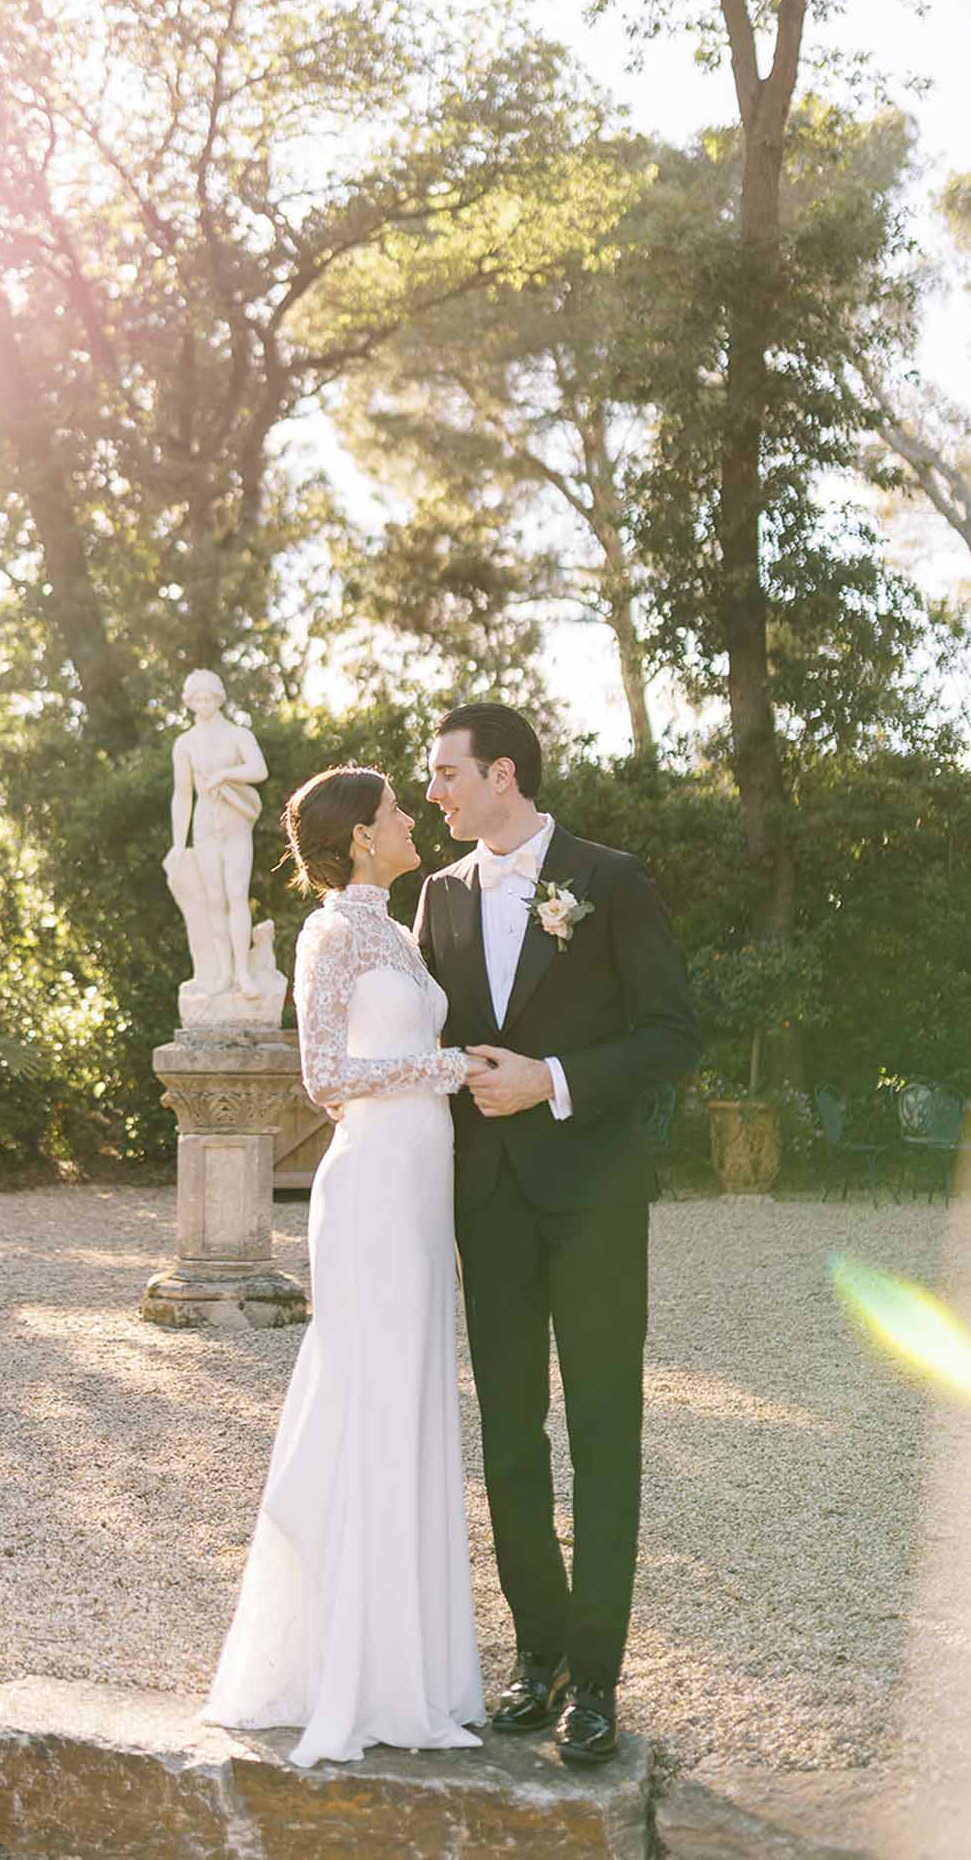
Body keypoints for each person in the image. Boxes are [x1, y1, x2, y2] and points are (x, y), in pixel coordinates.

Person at [415, 701, 699, 1765]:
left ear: (503, 774)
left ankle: (597, 1676)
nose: (433, 792)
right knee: (508, 1433)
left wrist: (554, 1080)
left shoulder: (609, 880)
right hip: (487, 1203)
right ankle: (536, 1655)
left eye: (446, 773)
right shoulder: (438, 895)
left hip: (594, 1200)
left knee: (604, 1431)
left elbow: (672, 1033)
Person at [202, 765, 491, 1767]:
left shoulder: (402, 932)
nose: (412, 819)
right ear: (363, 836)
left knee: (411, 1398)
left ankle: (415, 1665)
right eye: (396, 810)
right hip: (371, 1183)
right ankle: (359, 1674)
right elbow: (323, 1075)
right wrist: (443, 1068)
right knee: (370, 1396)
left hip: (422, 1180)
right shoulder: (329, 935)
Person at [165, 669, 269, 998]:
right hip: (204, 823)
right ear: (189, 701)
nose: (203, 702)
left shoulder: (238, 735)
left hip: (235, 821)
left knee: (237, 895)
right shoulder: (185, 743)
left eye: (208, 696)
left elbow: (259, 770)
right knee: (215, 900)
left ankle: (243, 972)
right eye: (197, 697)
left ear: (219, 697)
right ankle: (224, 973)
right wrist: (178, 844)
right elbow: (182, 795)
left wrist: (225, 774)